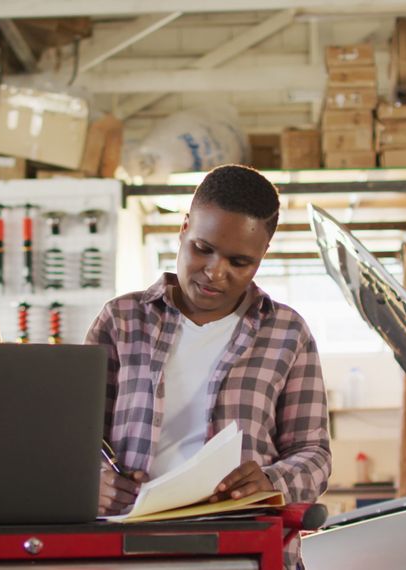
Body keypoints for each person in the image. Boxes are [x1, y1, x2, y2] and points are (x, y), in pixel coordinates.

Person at [85, 164, 331, 569]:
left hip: (245, 551)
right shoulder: (121, 320)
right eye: (203, 248)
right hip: (129, 550)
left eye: (239, 261)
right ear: (184, 229)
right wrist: (92, 481)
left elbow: (313, 452)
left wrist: (273, 481)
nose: (215, 272)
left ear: (262, 256)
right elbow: (79, 434)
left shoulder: (288, 333)